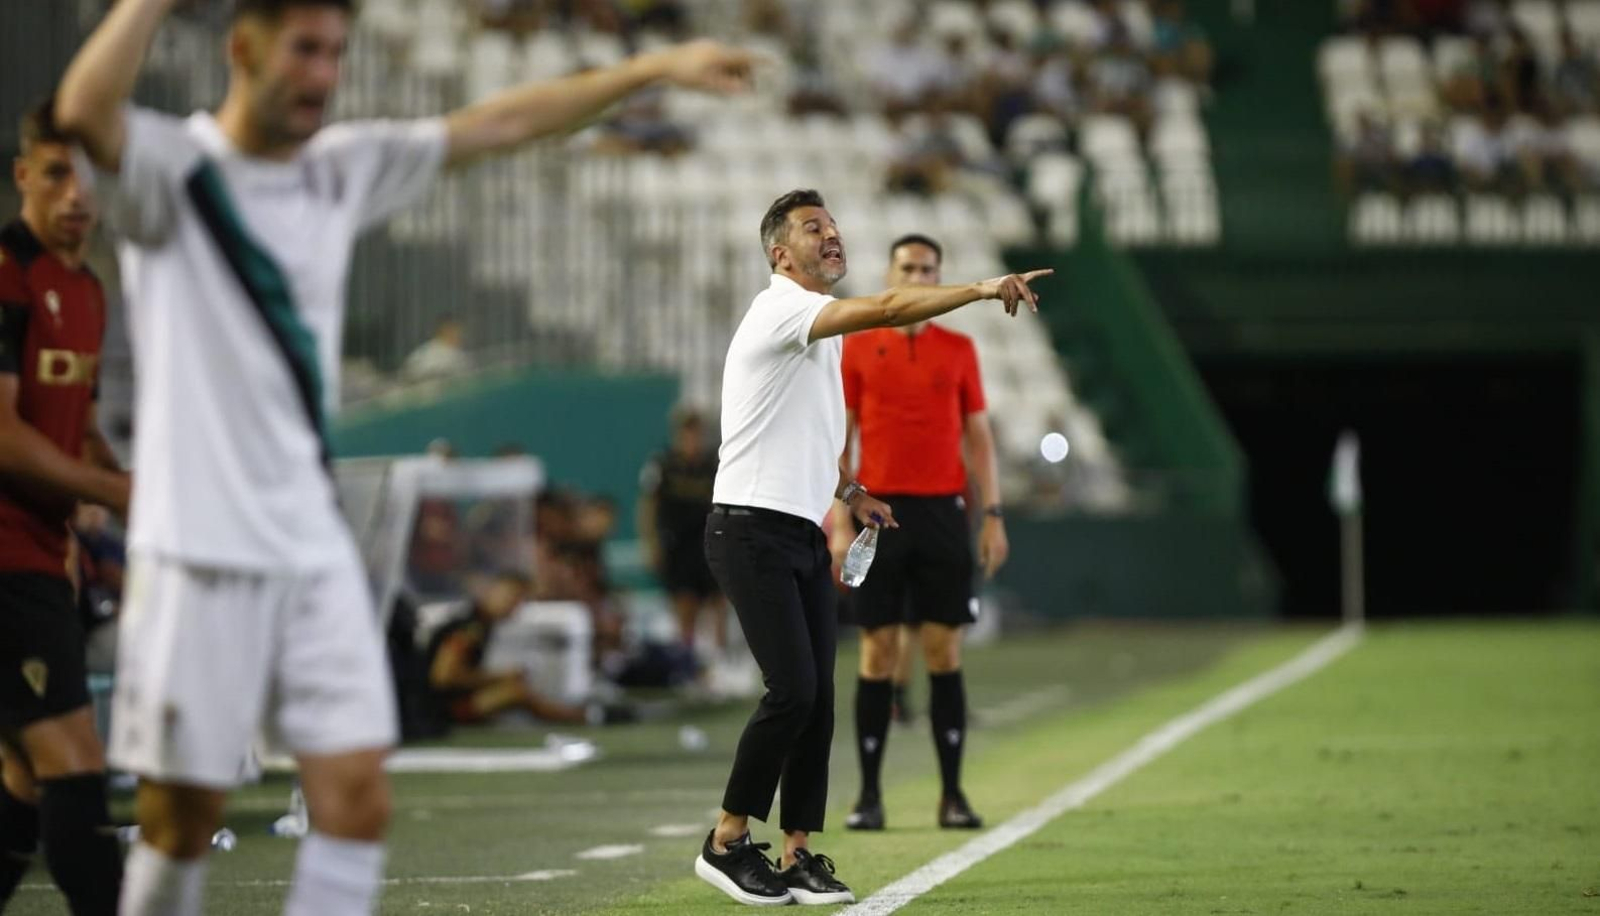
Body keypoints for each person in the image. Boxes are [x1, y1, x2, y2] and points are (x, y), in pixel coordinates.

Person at [54, 1, 755, 911]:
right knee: (181, 821)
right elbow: (80, 110)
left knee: (354, 799)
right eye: (303, 50)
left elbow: (502, 120)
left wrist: (651, 68)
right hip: (196, 551)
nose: (321, 74)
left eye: (336, 53)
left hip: (310, 543)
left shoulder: (343, 167)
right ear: (242, 49)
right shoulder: (172, 167)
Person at [693, 188, 1049, 906]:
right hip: (748, 528)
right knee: (792, 690)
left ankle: (797, 854)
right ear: (779, 253)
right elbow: (890, 309)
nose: (831, 236)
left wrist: (849, 493)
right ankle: (727, 840)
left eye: (832, 225)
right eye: (811, 228)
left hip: (793, 528)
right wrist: (981, 288)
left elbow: (808, 439)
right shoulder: (782, 309)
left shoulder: (816, 333)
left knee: (819, 696)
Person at [830, 234, 1010, 833]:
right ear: (889, 274)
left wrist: (993, 514)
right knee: (878, 654)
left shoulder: (959, 347)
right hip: (877, 514)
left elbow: (978, 437)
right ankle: (869, 796)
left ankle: (953, 795)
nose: (918, 275)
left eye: (929, 268)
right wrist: (838, 522)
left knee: (943, 651)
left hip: (941, 513)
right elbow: (841, 438)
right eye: (908, 267)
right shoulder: (857, 346)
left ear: (940, 276)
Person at [0, 98, 130, 916]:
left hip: (41, 558)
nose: (75, 193)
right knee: (75, 760)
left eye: (86, 175)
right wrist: (119, 495)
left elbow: (74, 430)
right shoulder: (7, 274)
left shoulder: (86, 289)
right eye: (55, 173)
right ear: (22, 177)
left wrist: (114, 475)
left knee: (24, 775)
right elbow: (5, 438)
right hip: (4, 559)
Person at [425, 572, 595, 726]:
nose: (514, 606)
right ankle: (577, 717)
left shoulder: (482, 625)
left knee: (516, 688)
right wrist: (498, 677)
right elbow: (443, 677)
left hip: (447, 703)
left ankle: (576, 716)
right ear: (493, 591)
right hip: (440, 708)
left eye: (521, 601)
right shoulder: (469, 628)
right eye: (513, 597)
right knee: (515, 692)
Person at [637, 408, 725, 660]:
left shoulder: (713, 465)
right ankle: (687, 658)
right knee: (685, 601)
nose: (692, 439)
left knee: (717, 600)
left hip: (709, 540)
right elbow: (648, 505)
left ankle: (719, 658)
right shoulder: (663, 465)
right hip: (678, 543)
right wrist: (651, 542)